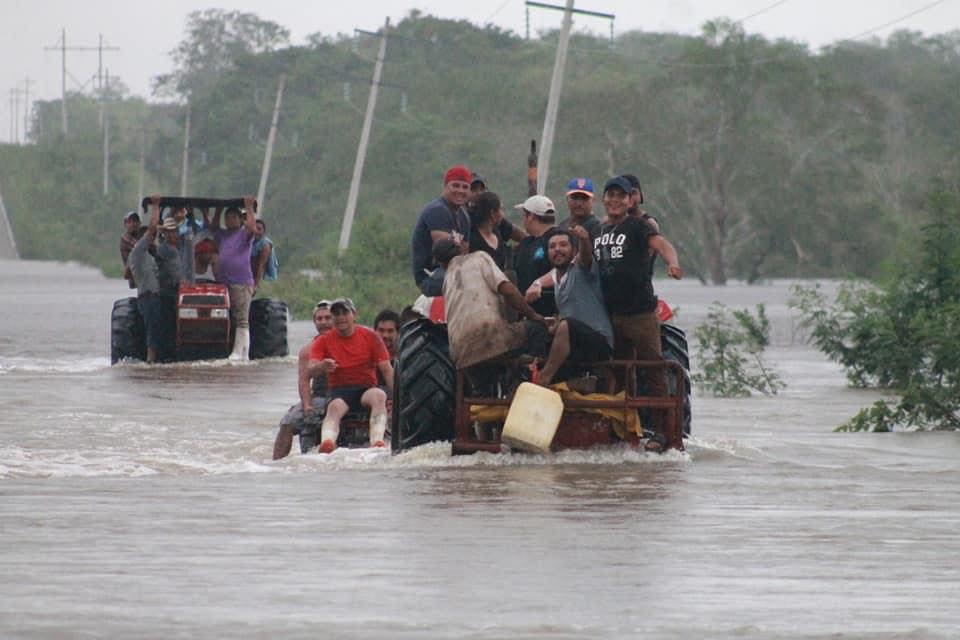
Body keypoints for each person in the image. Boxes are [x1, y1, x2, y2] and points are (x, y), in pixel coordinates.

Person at [594, 176, 683, 451]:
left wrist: (673, 263)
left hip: (640, 313)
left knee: (653, 369)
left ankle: (662, 433)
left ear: (630, 200)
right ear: (604, 199)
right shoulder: (599, 230)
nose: (615, 200)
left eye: (621, 196)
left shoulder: (638, 226)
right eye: (611, 195)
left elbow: (662, 244)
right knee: (618, 373)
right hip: (611, 314)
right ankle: (621, 430)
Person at [437, 238, 548, 372]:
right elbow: (508, 291)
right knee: (538, 328)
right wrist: (533, 315)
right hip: (491, 338)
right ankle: (537, 379)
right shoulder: (479, 257)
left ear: (441, 264)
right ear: (460, 248)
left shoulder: (446, 280)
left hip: (460, 353)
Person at [527, 226, 613, 386]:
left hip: (598, 342)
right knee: (539, 329)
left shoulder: (581, 269)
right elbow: (549, 276)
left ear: (574, 251)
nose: (557, 250)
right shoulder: (558, 276)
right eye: (552, 247)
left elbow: (586, 256)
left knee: (566, 326)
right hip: (575, 345)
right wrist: (536, 284)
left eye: (563, 245)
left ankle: (544, 378)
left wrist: (584, 239)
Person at [309, 297, 394, 453]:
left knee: (379, 395)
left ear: (354, 315)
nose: (340, 317)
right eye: (336, 314)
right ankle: (327, 442)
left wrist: (397, 398)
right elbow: (311, 369)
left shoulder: (371, 337)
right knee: (334, 408)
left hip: (366, 390)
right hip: (339, 392)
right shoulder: (323, 341)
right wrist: (322, 366)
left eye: (344, 313)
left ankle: (377, 441)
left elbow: (386, 369)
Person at [272, 300, 335, 459]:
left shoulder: (347, 342)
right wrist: (307, 406)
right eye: (319, 319)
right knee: (287, 423)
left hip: (343, 394)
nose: (324, 322)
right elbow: (303, 381)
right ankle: (276, 464)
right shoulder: (307, 350)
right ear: (314, 322)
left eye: (328, 318)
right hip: (319, 396)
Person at [206, 196, 258, 361]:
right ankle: (233, 350)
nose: (229, 220)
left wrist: (249, 208)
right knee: (229, 317)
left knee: (242, 318)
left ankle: (241, 353)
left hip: (241, 282)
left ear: (240, 219)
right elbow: (212, 227)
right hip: (224, 283)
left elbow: (253, 228)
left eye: (233, 217)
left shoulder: (244, 234)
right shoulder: (223, 234)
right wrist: (219, 209)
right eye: (227, 218)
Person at [411, 165, 473, 296]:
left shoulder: (464, 216)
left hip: (452, 270)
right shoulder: (437, 210)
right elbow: (446, 253)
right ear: (446, 186)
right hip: (431, 276)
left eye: (465, 187)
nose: (460, 190)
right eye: (455, 185)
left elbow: (465, 254)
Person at [127, 196, 168, 364]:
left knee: (157, 331)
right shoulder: (137, 252)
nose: (153, 239)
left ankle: (157, 360)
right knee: (152, 331)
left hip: (156, 297)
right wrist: (156, 206)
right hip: (147, 297)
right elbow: (152, 229)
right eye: (150, 237)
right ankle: (151, 361)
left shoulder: (150, 256)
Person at [513, 194, 558, 317]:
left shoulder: (559, 239)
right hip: (527, 314)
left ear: (531, 217)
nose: (523, 220)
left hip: (551, 314)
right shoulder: (525, 243)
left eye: (524, 215)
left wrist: (539, 283)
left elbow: (568, 269)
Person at [468, 191, 511, 270]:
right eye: (501, 209)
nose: (503, 214)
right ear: (492, 213)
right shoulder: (473, 239)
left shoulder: (497, 234)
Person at [251, 219, 278, 292]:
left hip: (256, 278)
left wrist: (255, 285)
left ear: (263, 231)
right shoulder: (250, 241)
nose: (256, 231)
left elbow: (261, 265)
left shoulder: (265, 244)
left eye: (259, 229)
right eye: (255, 228)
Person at [120, 211, 141, 289]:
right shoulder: (125, 238)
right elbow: (140, 246)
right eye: (129, 222)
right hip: (134, 276)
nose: (133, 224)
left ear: (139, 223)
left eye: (135, 221)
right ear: (125, 225)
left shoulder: (140, 236)